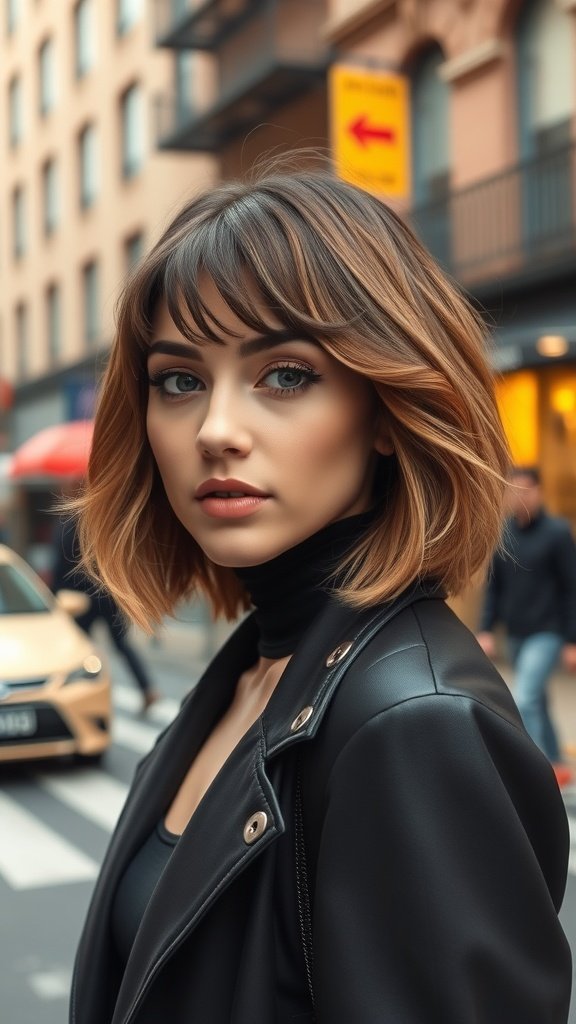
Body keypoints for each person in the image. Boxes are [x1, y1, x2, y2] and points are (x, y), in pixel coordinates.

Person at [70, 164, 571, 1024]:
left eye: (286, 375)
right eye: (180, 380)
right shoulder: (257, 666)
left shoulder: (411, 721)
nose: (217, 430)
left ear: (384, 409)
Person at [477, 465, 576, 787]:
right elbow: (494, 587)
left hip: (548, 631)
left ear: (539, 492)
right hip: (515, 634)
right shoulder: (503, 533)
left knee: (525, 698)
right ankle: (557, 764)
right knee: (538, 699)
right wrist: (486, 629)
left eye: (525, 490)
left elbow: (571, 587)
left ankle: (538, 775)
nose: (519, 497)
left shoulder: (558, 533)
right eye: (512, 490)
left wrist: (572, 640)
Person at [53, 513, 159, 712]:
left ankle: (81, 697)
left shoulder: (67, 525)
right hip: (109, 595)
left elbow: (60, 566)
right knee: (121, 644)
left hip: (81, 599)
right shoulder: (103, 521)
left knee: (80, 650)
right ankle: (146, 689)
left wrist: (56, 594)